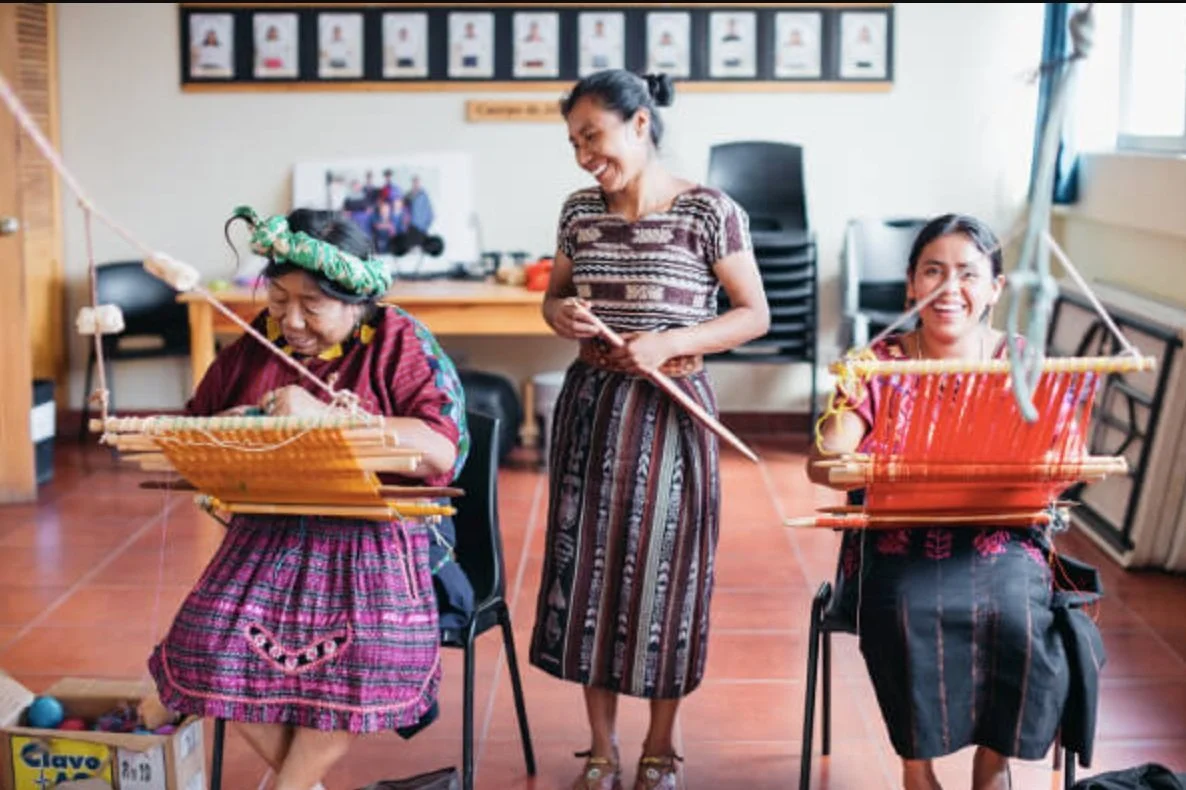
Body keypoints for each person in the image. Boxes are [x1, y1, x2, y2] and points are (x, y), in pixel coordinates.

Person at [146, 206, 471, 790]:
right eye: (277, 300)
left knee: (356, 660)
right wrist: (233, 430)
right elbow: (197, 428)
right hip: (270, 535)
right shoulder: (255, 344)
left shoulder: (397, 340)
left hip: (377, 537)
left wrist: (326, 416)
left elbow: (439, 452)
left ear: (357, 302)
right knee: (204, 648)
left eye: (312, 306)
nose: (290, 320)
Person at [528, 70, 770, 790]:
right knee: (586, 580)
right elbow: (555, 298)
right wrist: (559, 315)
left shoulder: (708, 211)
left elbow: (753, 314)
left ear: (640, 124)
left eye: (592, 136)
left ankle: (660, 749)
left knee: (669, 581)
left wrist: (668, 342)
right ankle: (600, 750)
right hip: (592, 412)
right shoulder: (578, 211)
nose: (582, 155)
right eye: (573, 141)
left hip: (671, 417)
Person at [807, 213, 1098, 790]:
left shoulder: (1023, 364)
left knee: (1019, 615)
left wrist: (1053, 460)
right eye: (933, 271)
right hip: (898, 541)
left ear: (995, 288)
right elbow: (829, 457)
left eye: (968, 274)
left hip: (1004, 539)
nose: (949, 288)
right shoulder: (878, 364)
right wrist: (844, 448)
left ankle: (992, 767)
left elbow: (1068, 456)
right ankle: (918, 770)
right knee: (905, 609)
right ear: (911, 283)